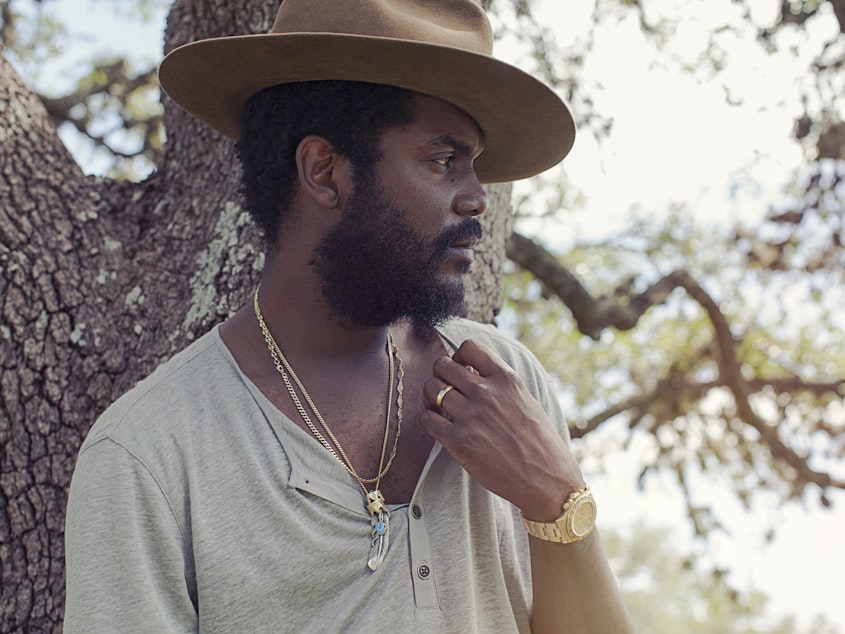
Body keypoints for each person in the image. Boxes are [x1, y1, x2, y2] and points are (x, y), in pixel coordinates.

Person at [64, 0, 634, 632]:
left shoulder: (505, 379)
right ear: (324, 172)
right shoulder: (149, 451)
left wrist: (557, 501)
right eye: (444, 161)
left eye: (475, 165)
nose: (477, 198)